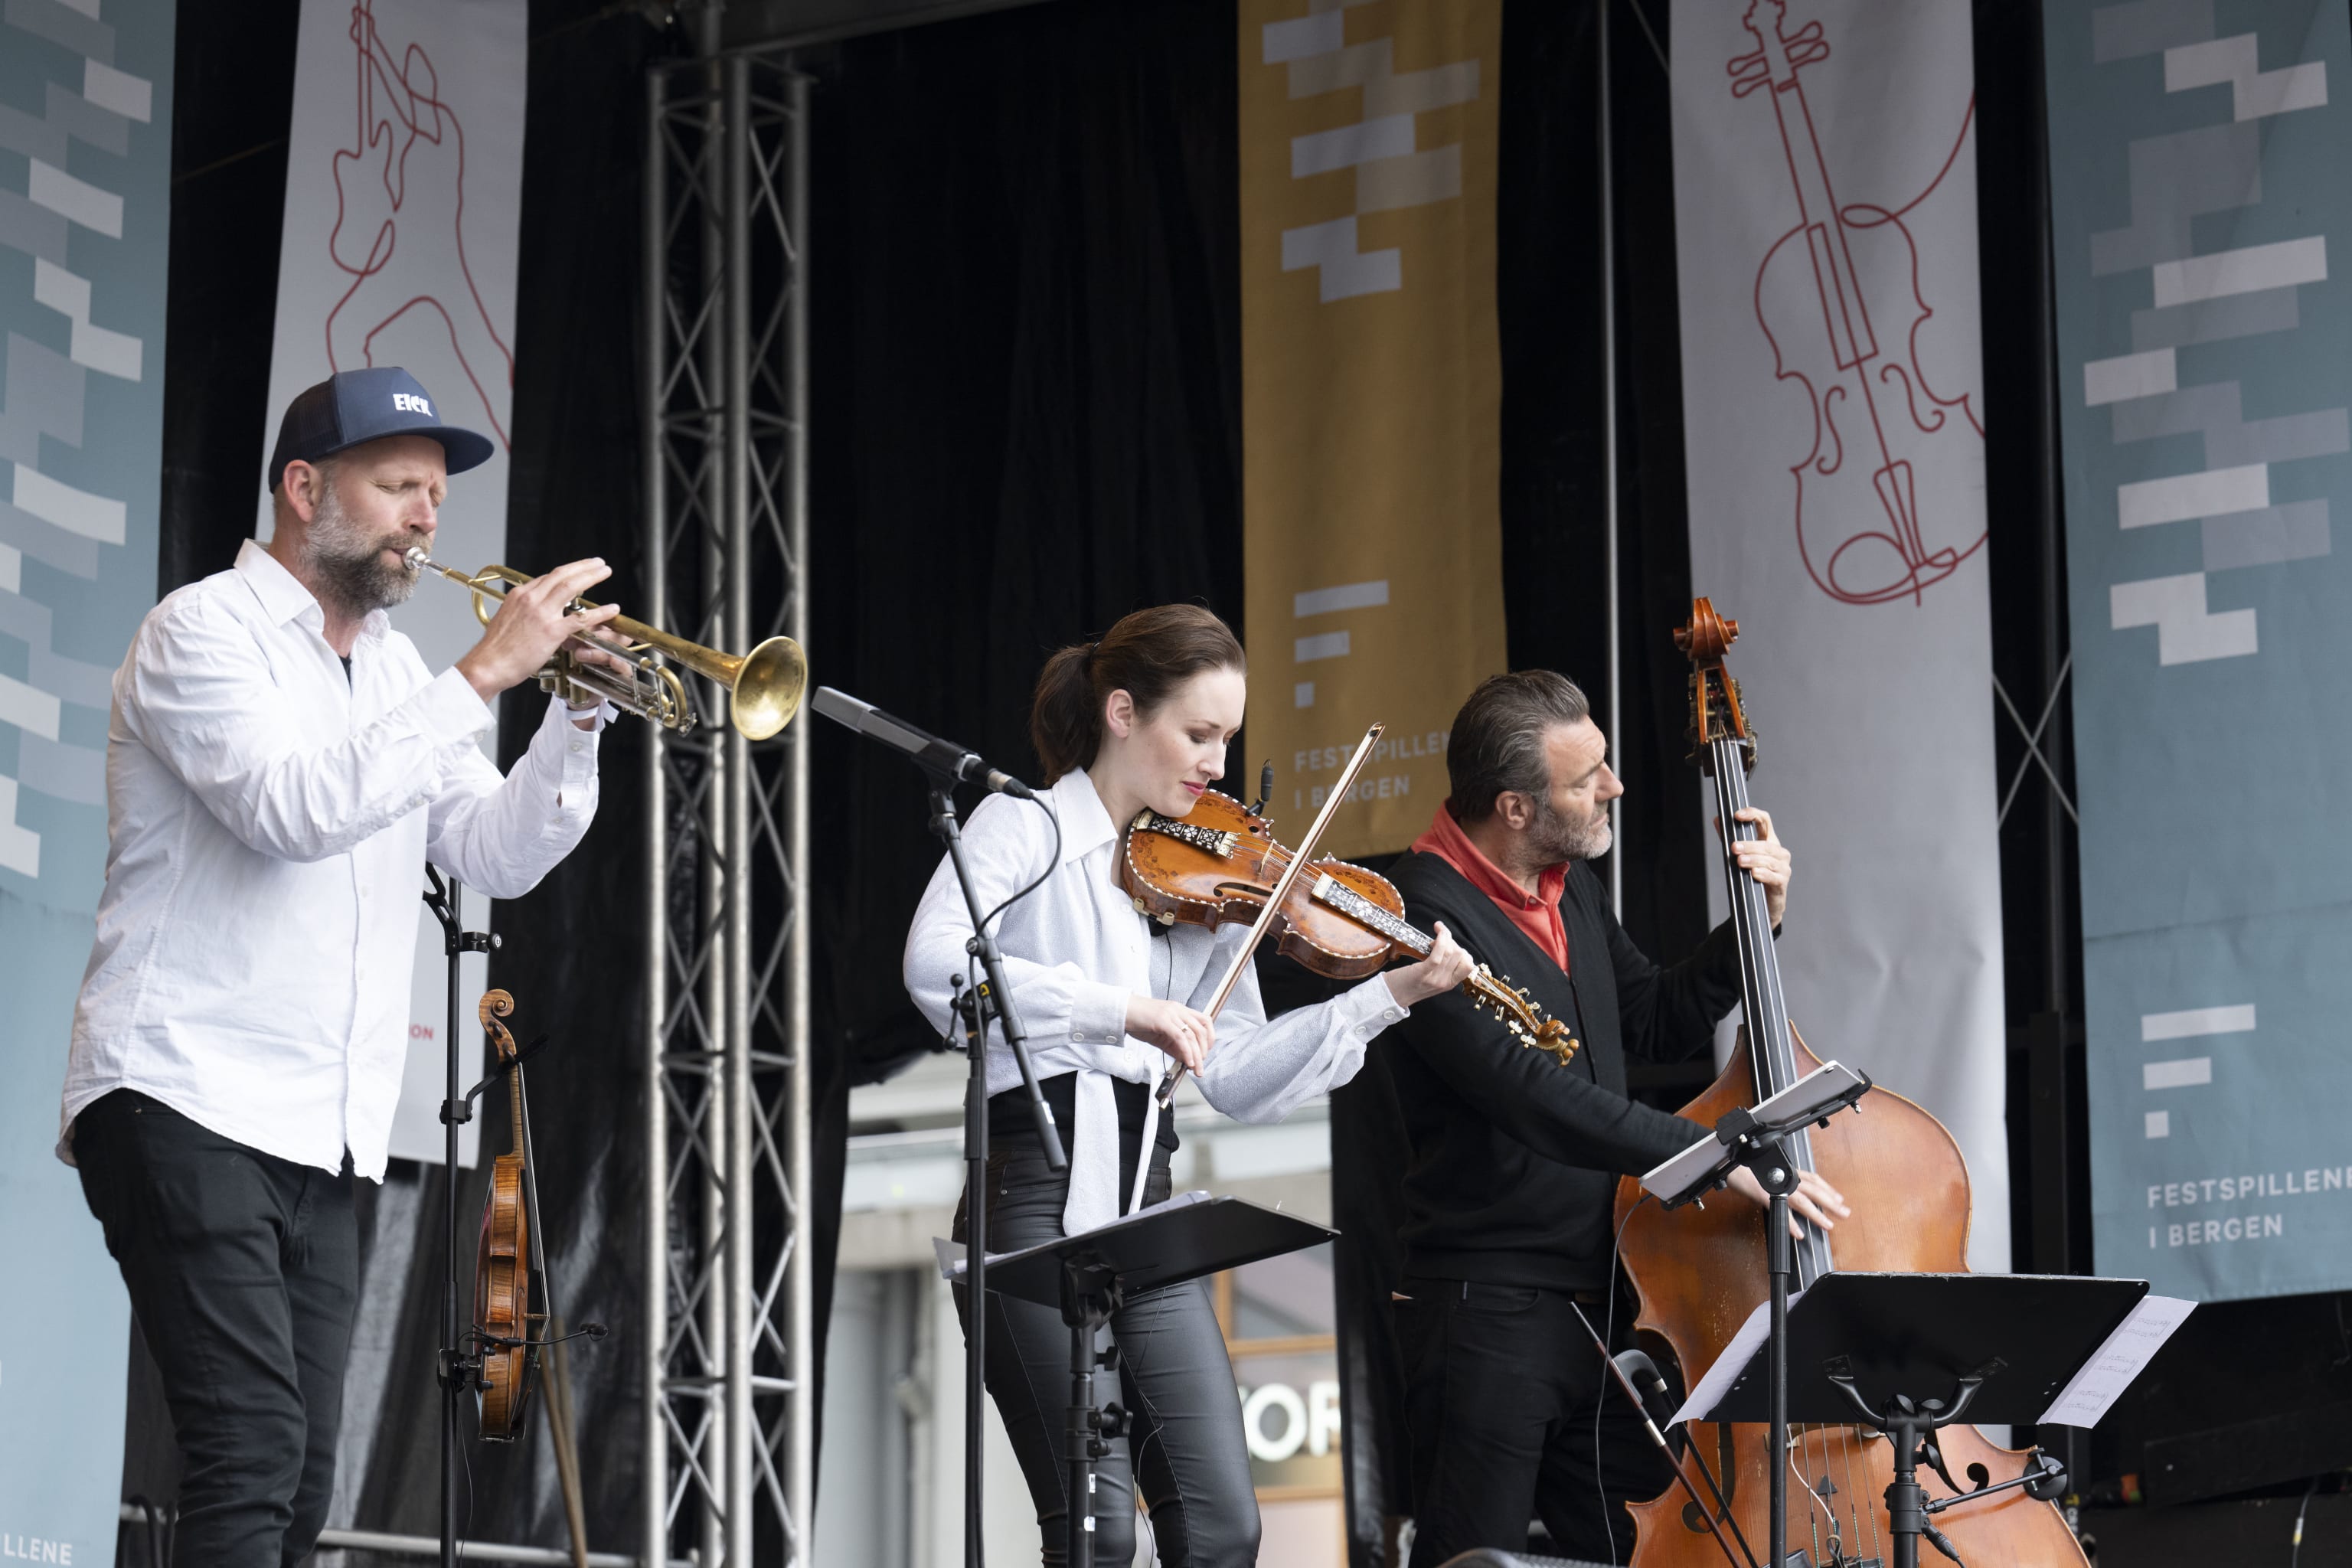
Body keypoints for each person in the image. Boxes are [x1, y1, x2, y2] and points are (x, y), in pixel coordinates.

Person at [57, 366, 626, 1567]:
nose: (429, 515)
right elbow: (289, 810)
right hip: (184, 1091)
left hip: (327, 1133)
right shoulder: (200, 629)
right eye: (400, 485)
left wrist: (574, 720)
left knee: (304, 1469)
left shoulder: (397, 677)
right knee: (252, 1449)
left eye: (436, 492)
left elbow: (493, 851)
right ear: (305, 488)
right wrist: (481, 677)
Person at [903, 603, 1473, 1567]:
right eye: (1198, 733)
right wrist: (1119, 1010)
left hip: (1141, 1209)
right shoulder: (1026, 826)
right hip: (1029, 1203)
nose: (1216, 763)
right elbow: (936, 969)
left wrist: (1383, 997)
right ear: (1123, 713)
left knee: (1221, 1526)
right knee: (1096, 1531)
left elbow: (1240, 1073)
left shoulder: (1204, 885)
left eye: (1228, 739)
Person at [1383, 670, 1849, 1567]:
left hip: (1604, 1299)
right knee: (1473, 1557)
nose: (1615, 786)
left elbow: (1654, 1017)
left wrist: (1754, 922)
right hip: (1486, 1309)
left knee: (1653, 1551)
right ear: (1515, 807)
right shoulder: (1420, 914)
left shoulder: (1572, 886)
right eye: (1587, 775)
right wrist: (1714, 1152)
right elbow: (1536, 1096)